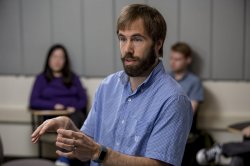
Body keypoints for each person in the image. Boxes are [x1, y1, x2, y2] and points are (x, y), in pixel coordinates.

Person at [31, 4, 193, 166]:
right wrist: (71, 130)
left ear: (158, 44)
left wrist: (99, 153)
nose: (127, 49)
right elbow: (88, 149)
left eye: (137, 39)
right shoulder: (107, 86)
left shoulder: (173, 100)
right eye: (122, 39)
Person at [29, 44, 88, 166]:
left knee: (74, 118)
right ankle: (67, 160)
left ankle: (64, 160)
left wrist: (72, 107)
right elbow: (33, 101)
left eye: (61, 57)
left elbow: (83, 100)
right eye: (54, 56)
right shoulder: (41, 79)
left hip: (74, 117)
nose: (57, 60)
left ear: (65, 61)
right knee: (66, 122)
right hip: (52, 119)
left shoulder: (73, 78)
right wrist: (53, 105)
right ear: (48, 59)